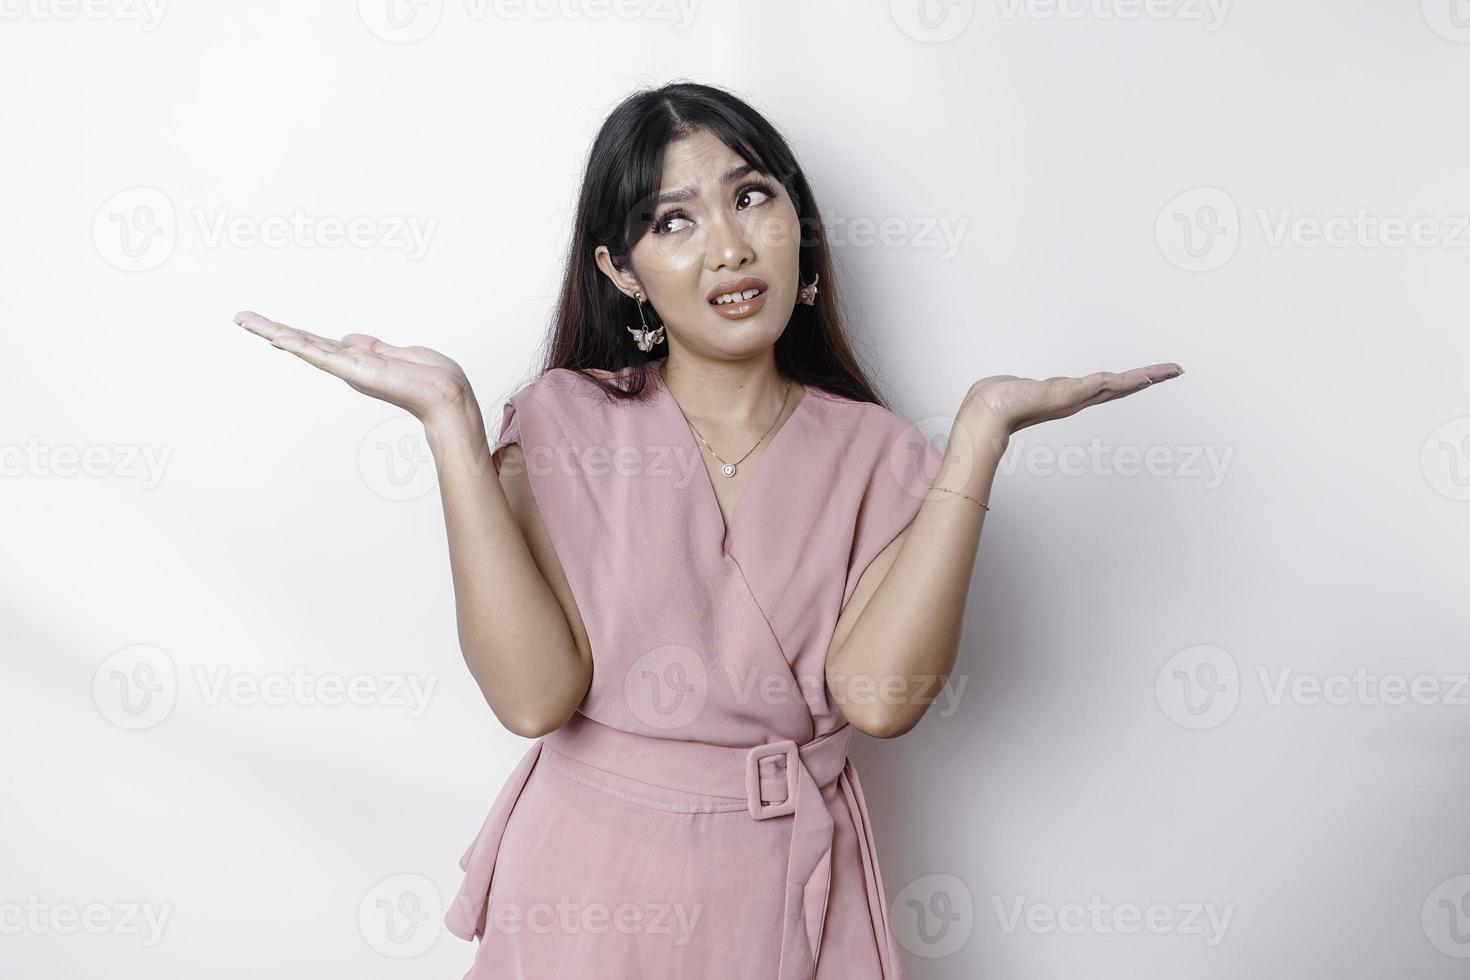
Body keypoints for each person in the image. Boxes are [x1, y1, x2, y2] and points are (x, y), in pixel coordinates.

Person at [231, 81, 1181, 980]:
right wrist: (448, 421)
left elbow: (879, 700)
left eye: (752, 198)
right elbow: (533, 697)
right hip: (589, 884)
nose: (728, 247)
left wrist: (979, 437)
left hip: (785, 882)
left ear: (797, 230)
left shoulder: (878, 451)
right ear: (621, 270)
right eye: (672, 220)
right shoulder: (564, 421)